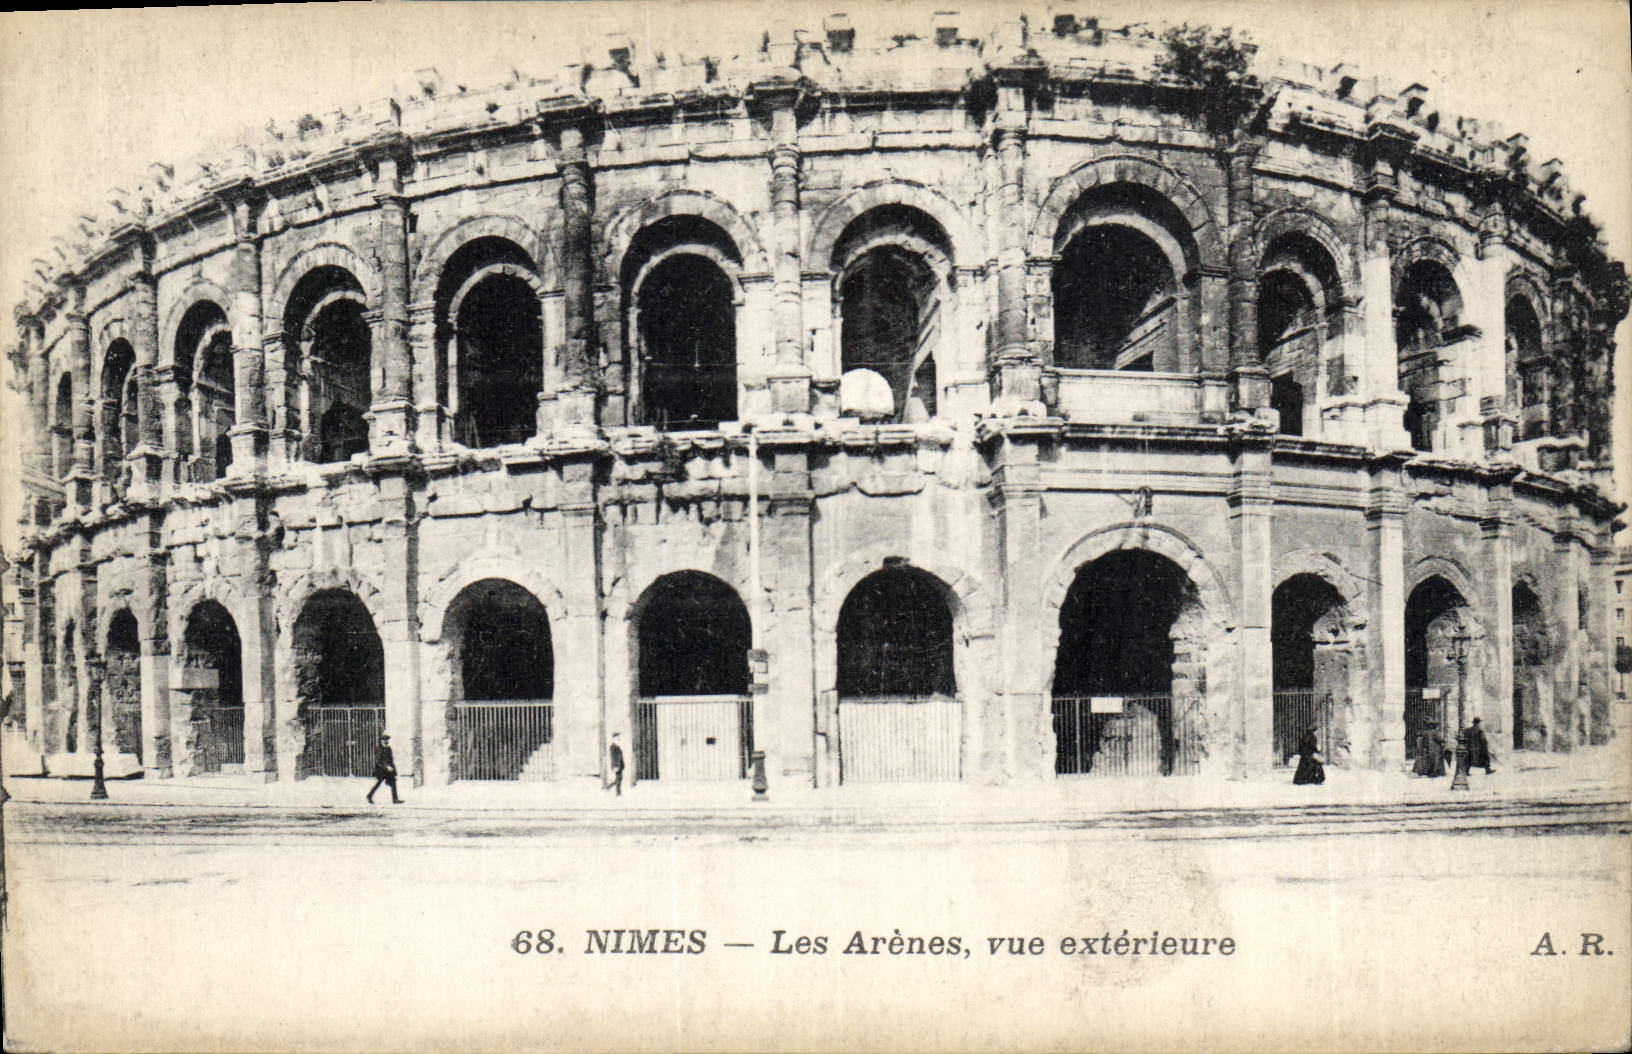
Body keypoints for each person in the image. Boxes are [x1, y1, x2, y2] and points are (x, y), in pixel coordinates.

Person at [367, 734, 402, 804]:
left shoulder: (389, 749)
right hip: (381, 770)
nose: (386, 742)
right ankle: (369, 796)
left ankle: (395, 799)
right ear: (381, 741)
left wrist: (393, 770)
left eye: (387, 740)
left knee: (393, 783)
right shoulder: (379, 749)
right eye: (384, 740)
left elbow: (391, 760)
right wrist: (386, 766)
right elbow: (379, 761)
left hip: (388, 770)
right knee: (378, 783)